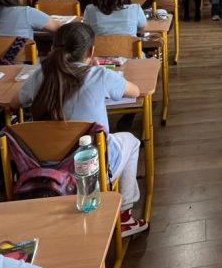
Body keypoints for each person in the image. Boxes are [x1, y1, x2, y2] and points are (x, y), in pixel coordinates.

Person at [19, 23, 148, 238]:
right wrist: (96, 70)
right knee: (131, 141)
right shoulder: (99, 75)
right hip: (91, 168)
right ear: (91, 52)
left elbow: (18, 100)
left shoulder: (40, 74)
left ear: (54, 47)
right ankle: (125, 214)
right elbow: (135, 91)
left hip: (46, 165)